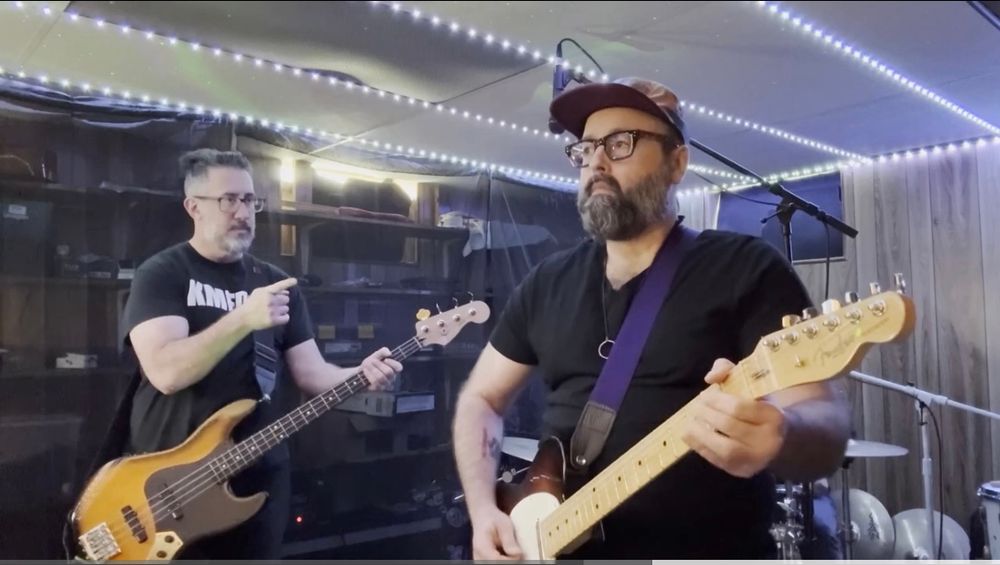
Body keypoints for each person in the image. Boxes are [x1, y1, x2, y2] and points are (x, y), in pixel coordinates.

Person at [451, 78, 851, 559]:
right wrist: (483, 511)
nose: (596, 163)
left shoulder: (746, 268)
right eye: (585, 149)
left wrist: (784, 433)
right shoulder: (547, 281)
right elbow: (480, 398)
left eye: (620, 143)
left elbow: (825, 423)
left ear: (676, 163)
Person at [121, 148, 403, 559]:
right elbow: (166, 373)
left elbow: (313, 375)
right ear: (194, 207)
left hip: (257, 477)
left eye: (250, 200)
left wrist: (360, 373)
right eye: (229, 200)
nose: (243, 212)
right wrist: (243, 318)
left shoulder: (274, 283)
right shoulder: (163, 273)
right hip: (170, 485)